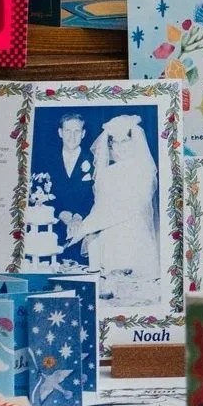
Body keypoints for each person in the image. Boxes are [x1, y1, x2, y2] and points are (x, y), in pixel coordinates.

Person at [67, 114, 160, 289]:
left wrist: (88, 225)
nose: (120, 147)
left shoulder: (143, 170)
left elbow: (134, 206)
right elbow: (100, 206)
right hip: (109, 244)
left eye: (125, 141)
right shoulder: (107, 173)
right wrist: (84, 226)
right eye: (115, 142)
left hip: (135, 241)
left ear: (134, 142)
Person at [46, 113, 95, 260]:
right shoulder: (45, 159)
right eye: (67, 131)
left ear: (83, 134)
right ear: (60, 132)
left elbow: (97, 195)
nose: (72, 136)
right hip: (52, 231)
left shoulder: (94, 160)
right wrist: (61, 213)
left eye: (77, 131)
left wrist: (79, 216)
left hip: (84, 230)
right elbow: (39, 191)